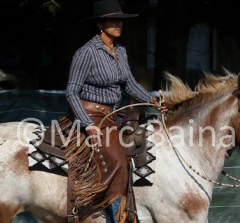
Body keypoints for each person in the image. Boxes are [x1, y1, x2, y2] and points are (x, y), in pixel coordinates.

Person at [65, 0, 166, 222]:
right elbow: (71, 92)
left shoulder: (120, 50)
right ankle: (118, 217)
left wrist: (152, 100)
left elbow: (130, 84)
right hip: (91, 115)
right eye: (113, 20)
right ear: (100, 24)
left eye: (120, 20)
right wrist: (87, 124)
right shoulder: (87, 52)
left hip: (113, 115)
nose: (119, 23)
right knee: (118, 161)